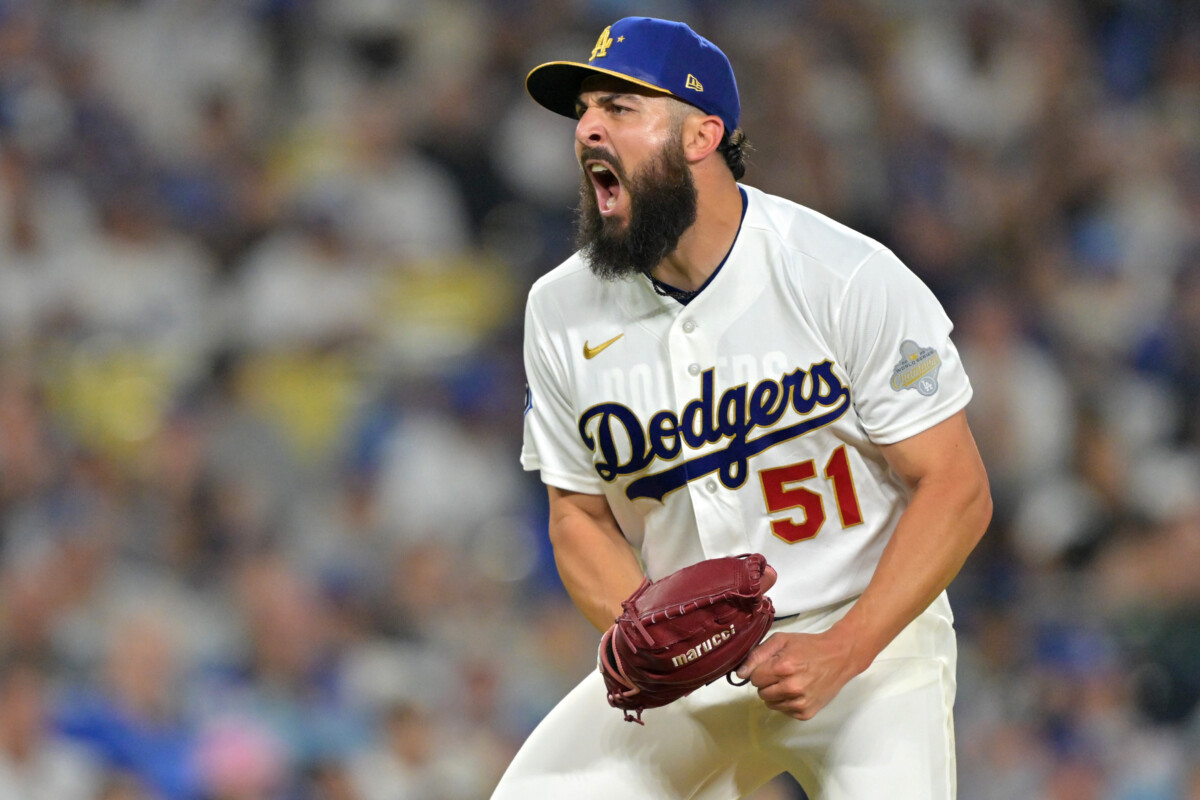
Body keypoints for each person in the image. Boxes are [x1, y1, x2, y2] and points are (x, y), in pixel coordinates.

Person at [495, 16, 992, 799]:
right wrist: (643, 632)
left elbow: (957, 488)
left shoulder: (842, 276)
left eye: (620, 108)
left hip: (867, 640)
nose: (587, 126)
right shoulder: (560, 308)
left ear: (702, 135)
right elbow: (576, 515)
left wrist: (848, 646)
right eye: (585, 110)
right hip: (686, 656)